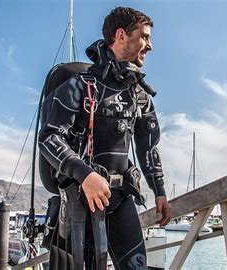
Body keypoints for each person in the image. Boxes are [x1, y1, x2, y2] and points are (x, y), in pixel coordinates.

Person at [38, 7, 171, 269]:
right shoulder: (81, 85)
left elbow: (148, 147)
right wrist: (85, 175)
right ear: (121, 35)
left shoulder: (139, 95)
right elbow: (50, 137)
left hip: (121, 200)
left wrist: (160, 191)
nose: (150, 46)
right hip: (80, 203)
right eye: (144, 36)